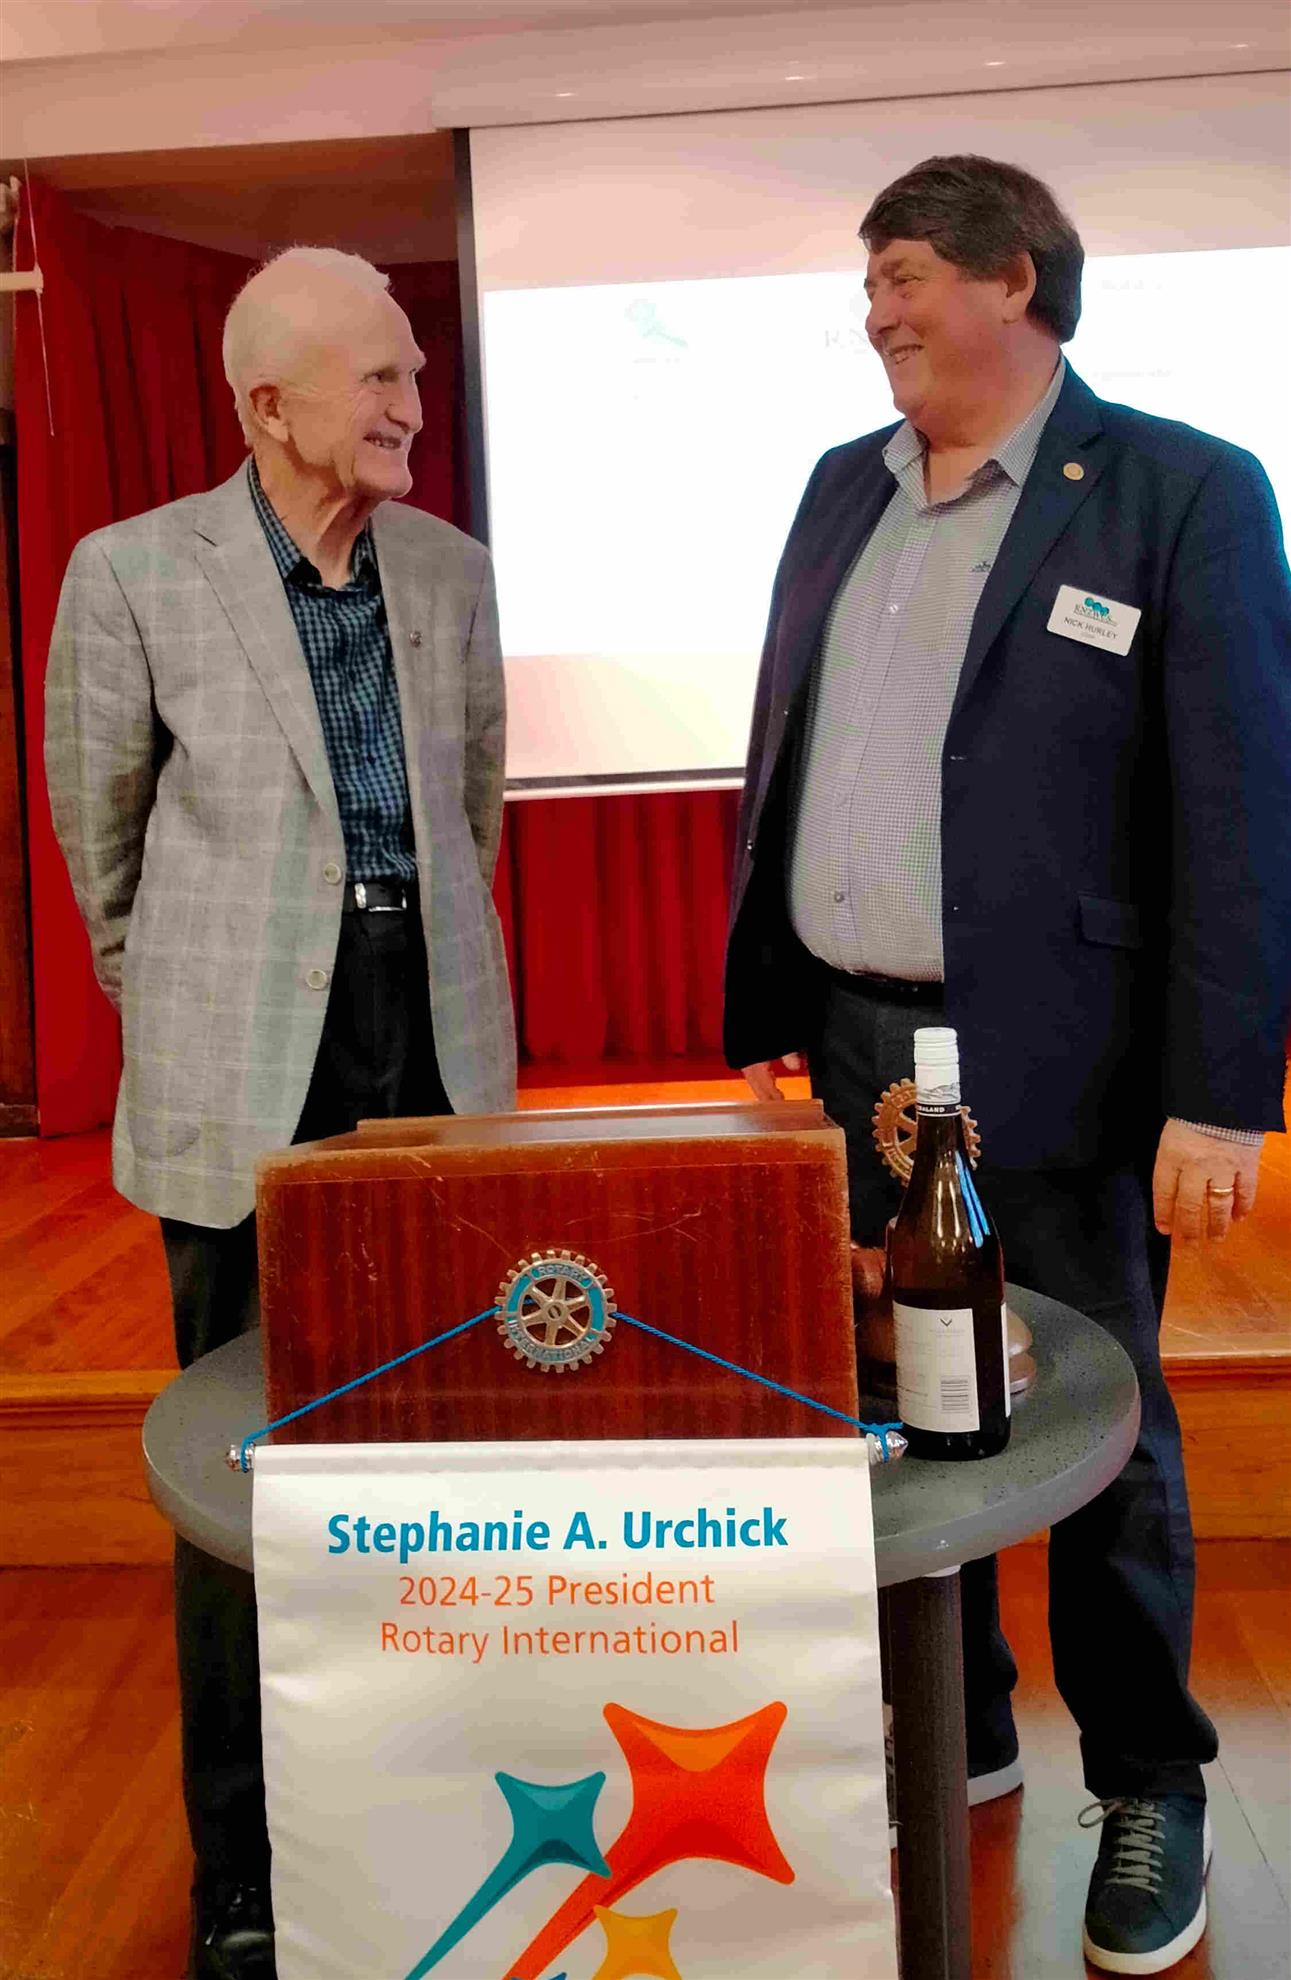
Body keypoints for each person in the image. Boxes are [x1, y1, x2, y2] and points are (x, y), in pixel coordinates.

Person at [724, 155, 1291, 1975]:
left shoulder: (1183, 490)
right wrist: (771, 991)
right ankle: (947, 1716)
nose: (874, 312)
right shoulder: (843, 486)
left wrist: (1223, 1089)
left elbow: (1241, 808)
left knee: (1094, 1421)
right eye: (869, 282)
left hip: (1065, 1050)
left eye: (901, 274)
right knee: (888, 1404)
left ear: (1016, 279)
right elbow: (794, 739)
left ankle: (1149, 1783)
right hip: (850, 1041)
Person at [45, 247, 516, 1980]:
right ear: (267, 404)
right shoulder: (130, 571)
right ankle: (244, 1868)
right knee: (245, 1468)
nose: (414, 406)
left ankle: (436, 1807)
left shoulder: (451, 570)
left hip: (434, 1050)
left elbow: (472, 807)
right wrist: (197, 1006)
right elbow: (99, 843)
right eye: (379, 377)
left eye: (416, 374)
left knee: (444, 1439)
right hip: (244, 1067)